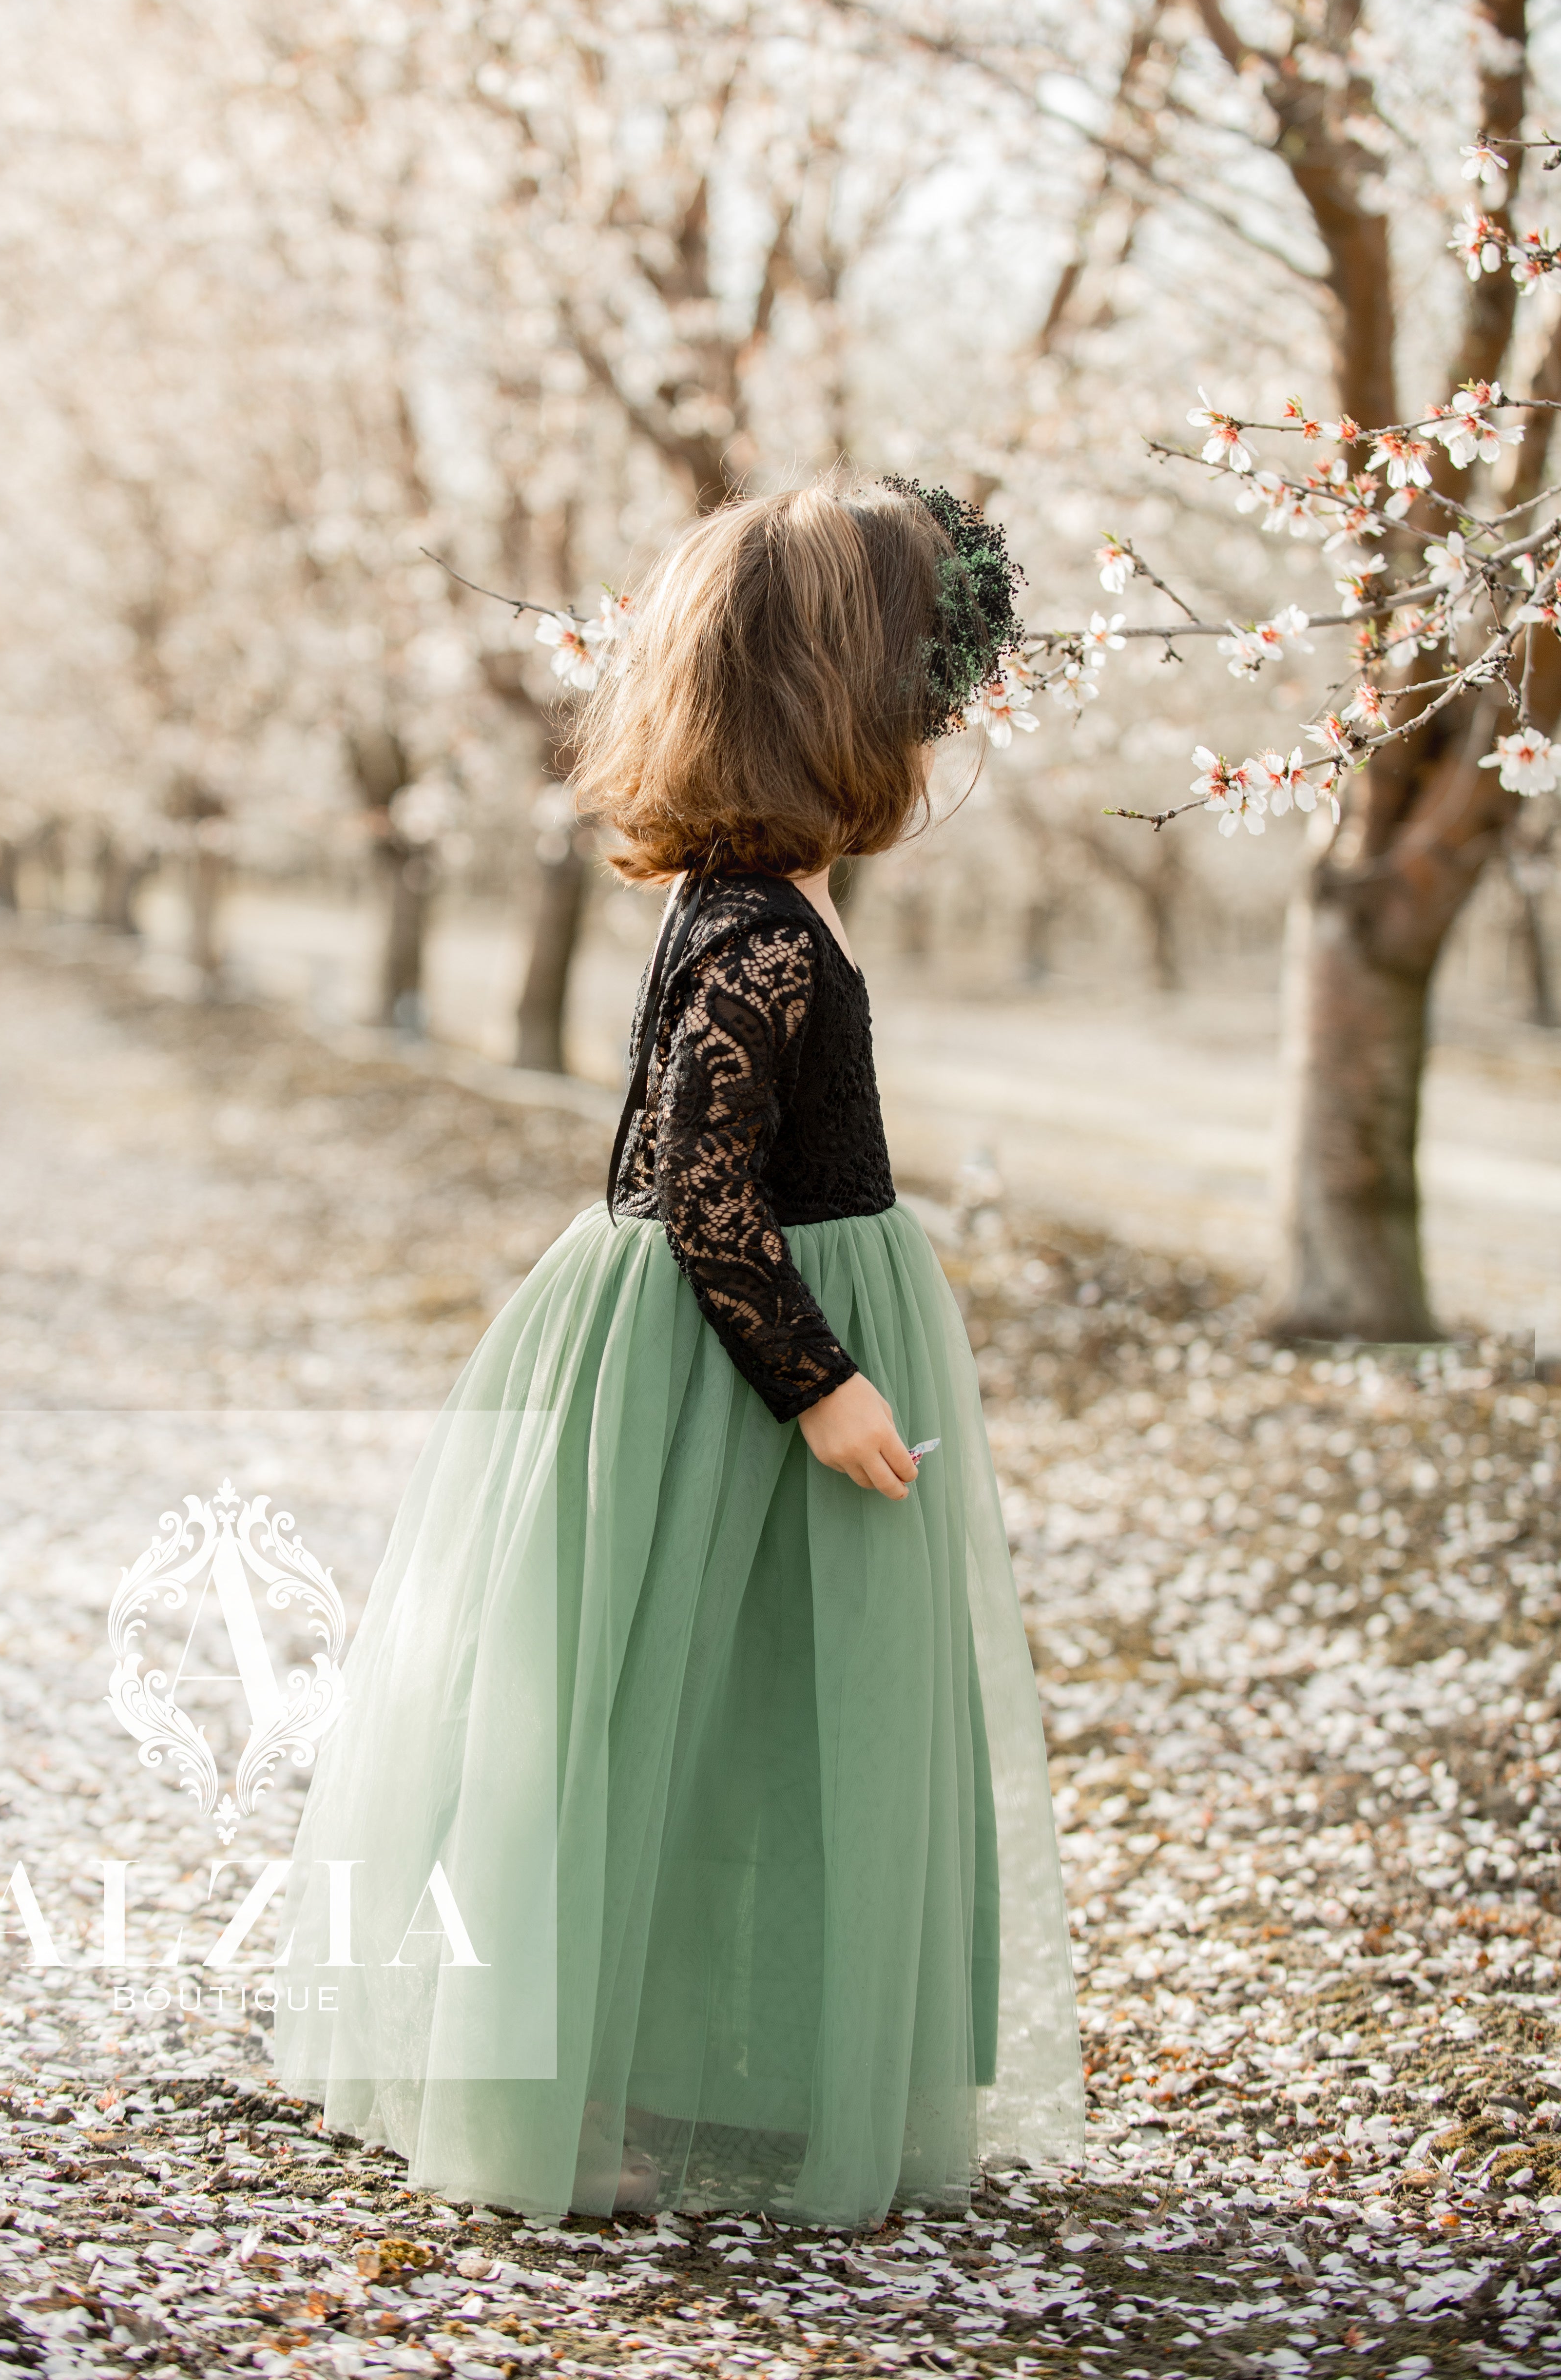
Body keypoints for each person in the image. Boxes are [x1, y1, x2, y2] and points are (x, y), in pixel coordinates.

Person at [273, 483, 1083, 2225]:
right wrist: (826, 1381)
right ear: (836, 706)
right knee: (639, 1707)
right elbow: (704, 1195)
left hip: (725, 1349)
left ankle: (702, 2060)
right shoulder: (757, 936)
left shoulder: (758, 901)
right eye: (917, 695)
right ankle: (564, 2099)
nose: (940, 734)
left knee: (716, 1705)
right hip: (722, 1368)